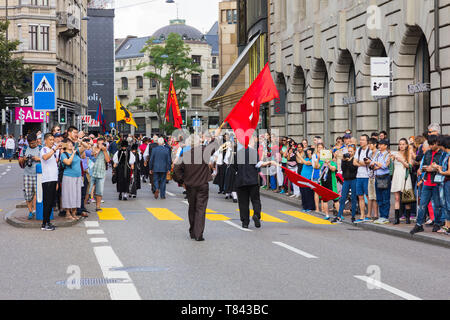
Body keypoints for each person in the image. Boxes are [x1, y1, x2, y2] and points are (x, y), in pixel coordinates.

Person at [173, 135, 216, 241]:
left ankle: (193, 231)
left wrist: (181, 181)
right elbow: (214, 146)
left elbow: (176, 170)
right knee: (201, 209)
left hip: (190, 185)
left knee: (192, 207)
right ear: (198, 142)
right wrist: (214, 138)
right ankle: (198, 233)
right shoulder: (204, 151)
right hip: (202, 184)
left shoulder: (185, 154)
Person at [233, 137, 276, 229]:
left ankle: (245, 222)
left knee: (243, 202)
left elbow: (235, 167)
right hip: (252, 180)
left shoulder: (238, 153)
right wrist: (269, 162)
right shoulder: (253, 152)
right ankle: (256, 215)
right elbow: (258, 164)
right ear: (250, 142)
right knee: (255, 200)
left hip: (241, 181)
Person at [410, 135, 444, 234]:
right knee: (422, 205)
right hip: (427, 182)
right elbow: (423, 165)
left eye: (432, 144)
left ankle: (437, 223)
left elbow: (443, 167)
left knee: (437, 205)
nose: (431, 146)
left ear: (437, 143)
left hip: (436, 182)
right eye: (430, 144)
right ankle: (419, 224)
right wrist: (424, 169)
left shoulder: (442, 154)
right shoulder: (428, 153)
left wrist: (433, 168)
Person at [60, 138, 85, 221]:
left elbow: (86, 147)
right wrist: (73, 154)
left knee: (77, 194)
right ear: (65, 145)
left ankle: (74, 212)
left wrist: (80, 141)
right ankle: (68, 212)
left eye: (71, 143)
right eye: (68, 143)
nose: (70, 144)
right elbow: (68, 162)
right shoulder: (64, 154)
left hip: (78, 176)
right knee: (68, 194)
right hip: (68, 176)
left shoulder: (77, 151)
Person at [40, 133, 60, 231]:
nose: (52, 141)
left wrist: (56, 181)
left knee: (51, 202)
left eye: (53, 140)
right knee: (47, 203)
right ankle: (44, 224)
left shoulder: (53, 151)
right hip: (47, 180)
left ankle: (48, 222)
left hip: (53, 179)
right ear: (45, 141)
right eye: (50, 140)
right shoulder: (44, 149)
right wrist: (54, 149)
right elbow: (45, 157)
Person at [390, 138, 413, 224]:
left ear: (406, 145)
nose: (401, 146)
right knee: (397, 198)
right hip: (396, 176)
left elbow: (409, 167)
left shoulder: (408, 154)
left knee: (407, 199)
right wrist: (390, 159)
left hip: (405, 177)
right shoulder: (395, 153)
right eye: (400, 144)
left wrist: (402, 161)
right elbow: (390, 164)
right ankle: (397, 218)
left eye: (403, 144)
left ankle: (407, 218)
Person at [333, 145, 358, 223]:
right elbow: (343, 169)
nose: (349, 153)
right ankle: (339, 216)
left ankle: (353, 216)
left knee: (353, 198)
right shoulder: (345, 159)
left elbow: (353, 169)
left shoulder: (355, 159)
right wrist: (344, 160)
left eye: (351, 151)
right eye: (348, 151)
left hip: (353, 180)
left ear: (354, 151)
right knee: (343, 198)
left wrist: (349, 161)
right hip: (346, 180)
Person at [19, 133, 40, 220]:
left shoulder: (41, 148)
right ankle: (30, 211)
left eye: (34, 143)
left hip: (38, 175)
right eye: (31, 143)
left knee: (37, 193)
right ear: (28, 142)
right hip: (27, 174)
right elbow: (20, 162)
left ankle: (34, 209)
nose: (33, 145)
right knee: (28, 194)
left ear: (36, 141)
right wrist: (23, 159)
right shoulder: (24, 149)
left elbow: (45, 159)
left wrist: (37, 159)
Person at [371, 139, 391, 224]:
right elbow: (372, 164)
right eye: (379, 144)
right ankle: (381, 215)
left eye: (381, 144)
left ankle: (385, 216)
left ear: (386, 146)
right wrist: (376, 164)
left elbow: (385, 166)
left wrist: (377, 164)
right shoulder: (378, 154)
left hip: (384, 177)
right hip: (377, 176)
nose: (379, 146)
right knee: (379, 197)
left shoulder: (387, 154)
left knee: (385, 197)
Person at [354, 134, 372, 223]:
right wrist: (362, 163)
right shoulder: (358, 150)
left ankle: (368, 215)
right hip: (359, 176)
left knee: (368, 196)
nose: (361, 141)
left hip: (367, 176)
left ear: (367, 141)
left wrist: (361, 162)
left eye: (363, 140)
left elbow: (369, 162)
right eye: (360, 140)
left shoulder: (370, 151)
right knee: (360, 196)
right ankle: (362, 215)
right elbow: (354, 162)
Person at [90, 137, 110, 211]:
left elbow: (108, 160)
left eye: (102, 143)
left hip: (101, 172)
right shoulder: (94, 149)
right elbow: (93, 156)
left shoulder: (106, 151)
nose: (101, 145)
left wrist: (104, 151)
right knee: (90, 189)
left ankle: (98, 206)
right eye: (99, 143)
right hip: (92, 171)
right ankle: (88, 201)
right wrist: (97, 149)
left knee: (99, 190)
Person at [436, 135, 450, 234]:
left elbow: (449, 171)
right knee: (446, 203)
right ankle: (447, 225)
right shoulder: (447, 155)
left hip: (448, 181)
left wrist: (440, 171)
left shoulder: (449, 156)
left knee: (448, 204)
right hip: (446, 181)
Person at [297, 148, 315, 212]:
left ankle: (310, 207)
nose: (307, 151)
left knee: (308, 193)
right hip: (302, 178)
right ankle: (305, 207)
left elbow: (306, 163)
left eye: (309, 150)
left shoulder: (313, 160)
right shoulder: (306, 158)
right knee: (303, 193)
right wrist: (296, 155)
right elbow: (299, 161)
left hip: (309, 178)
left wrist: (299, 156)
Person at [366, 138, 379, 221]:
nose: (369, 145)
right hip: (370, 176)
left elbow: (379, 165)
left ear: (375, 144)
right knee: (371, 196)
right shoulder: (370, 153)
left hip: (377, 176)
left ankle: (376, 214)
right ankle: (370, 214)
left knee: (375, 196)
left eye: (370, 144)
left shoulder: (378, 153)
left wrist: (371, 163)